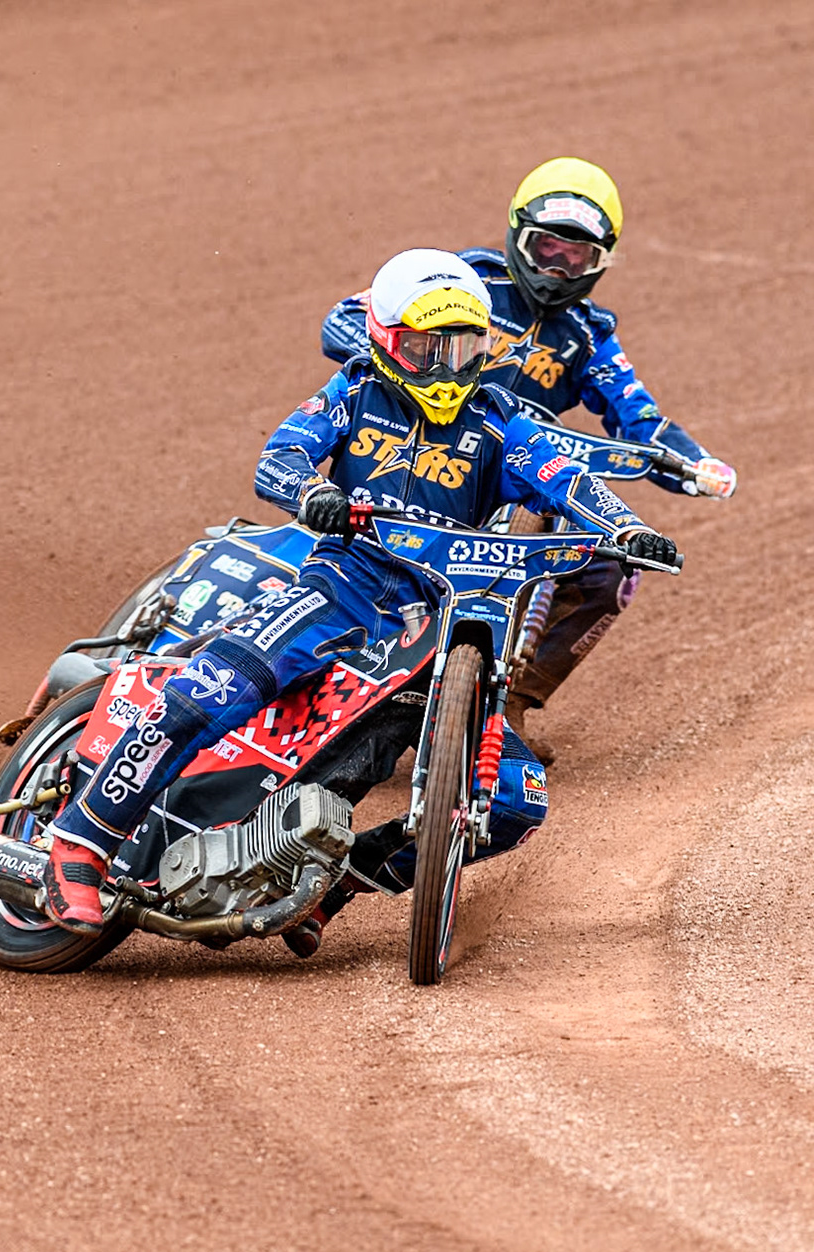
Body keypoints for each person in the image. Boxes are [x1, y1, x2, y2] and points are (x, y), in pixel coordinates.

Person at [39, 249, 680, 947]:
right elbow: (279, 456)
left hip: (443, 612)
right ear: (383, 337)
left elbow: (567, 479)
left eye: (461, 347)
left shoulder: (497, 420)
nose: (444, 367)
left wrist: (626, 526)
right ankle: (79, 844)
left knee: (513, 802)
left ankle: (341, 880)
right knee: (209, 688)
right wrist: (311, 492)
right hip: (343, 583)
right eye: (424, 347)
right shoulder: (353, 390)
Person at [320, 158, 734, 759]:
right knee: (342, 524)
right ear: (517, 235)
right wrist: (403, 365)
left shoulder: (589, 337)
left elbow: (640, 421)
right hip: (414, 444)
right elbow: (345, 319)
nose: (558, 268)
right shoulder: (465, 282)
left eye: (577, 256)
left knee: (609, 573)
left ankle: (506, 701)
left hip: (511, 469)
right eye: (547, 248)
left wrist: (696, 465)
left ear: (602, 262)